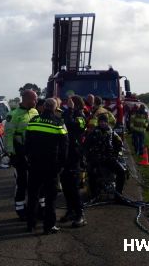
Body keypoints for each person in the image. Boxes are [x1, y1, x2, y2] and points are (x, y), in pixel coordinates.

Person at [25, 98, 68, 235]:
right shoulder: (59, 123)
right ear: (55, 109)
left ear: (43, 107)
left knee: (32, 195)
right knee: (51, 197)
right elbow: (64, 147)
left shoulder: (33, 121)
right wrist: (62, 164)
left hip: (35, 164)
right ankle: (48, 226)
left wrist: (29, 159)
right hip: (52, 165)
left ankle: (30, 224)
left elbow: (27, 143)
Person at [5, 89, 39, 219]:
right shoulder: (13, 115)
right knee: (22, 182)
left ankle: (35, 207)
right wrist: (11, 153)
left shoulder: (35, 112)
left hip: (34, 153)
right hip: (20, 153)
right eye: (34, 99)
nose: (36, 101)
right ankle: (20, 209)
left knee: (35, 182)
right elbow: (8, 135)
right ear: (26, 99)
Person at [84, 114, 127, 201]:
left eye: (104, 122)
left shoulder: (111, 132)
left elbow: (120, 143)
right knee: (92, 173)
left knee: (122, 172)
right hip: (96, 159)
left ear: (107, 123)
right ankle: (94, 195)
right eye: (101, 122)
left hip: (109, 158)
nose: (103, 123)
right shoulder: (93, 132)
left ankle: (118, 196)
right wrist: (88, 158)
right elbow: (86, 146)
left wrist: (115, 154)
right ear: (98, 122)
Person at [60, 95, 87, 227]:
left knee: (74, 187)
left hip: (74, 156)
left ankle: (80, 214)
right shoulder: (68, 113)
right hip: (65, 155)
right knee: (65, 185)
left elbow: (70, 125)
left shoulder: (81, 116)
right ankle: (70, 211)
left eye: (70, 104)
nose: (66, 105)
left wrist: (70, 110)